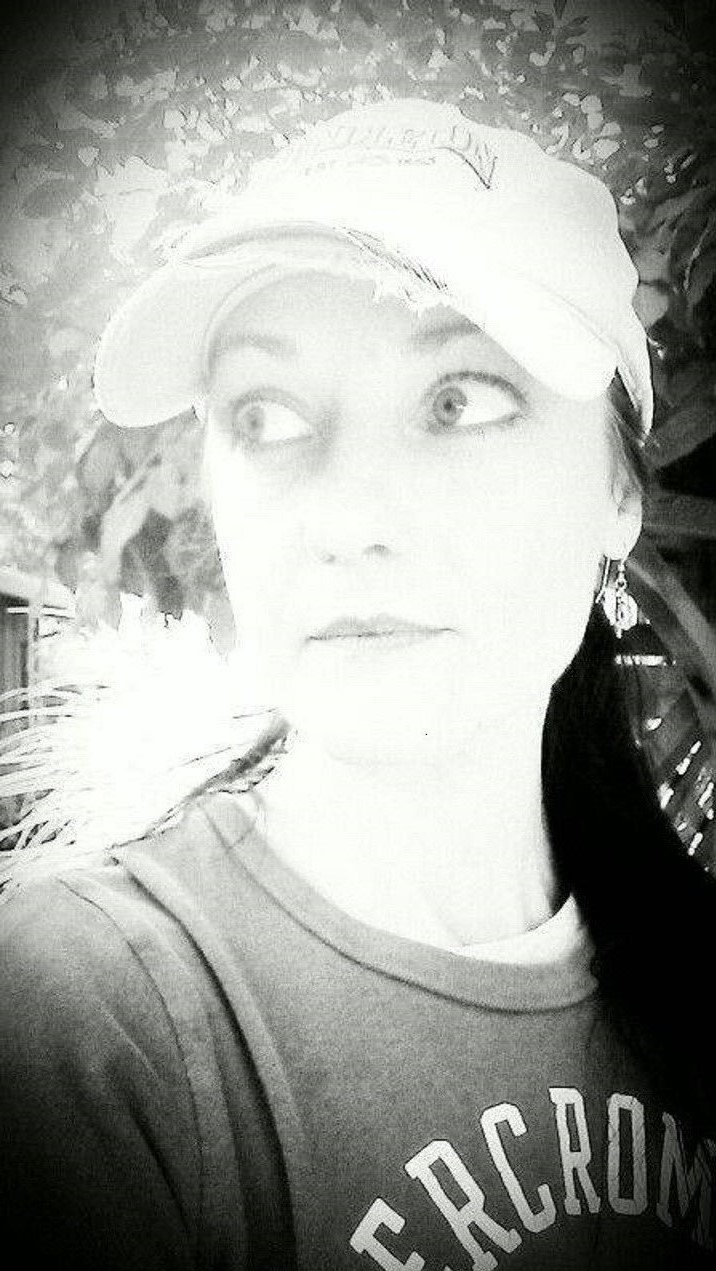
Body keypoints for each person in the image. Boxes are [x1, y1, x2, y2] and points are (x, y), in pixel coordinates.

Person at [1, 96, 715, 1271]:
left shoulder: (687, 976)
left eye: (457, 399)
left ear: (616, 494)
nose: (341, 518)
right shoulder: (89, 1019)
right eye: (266, 415)